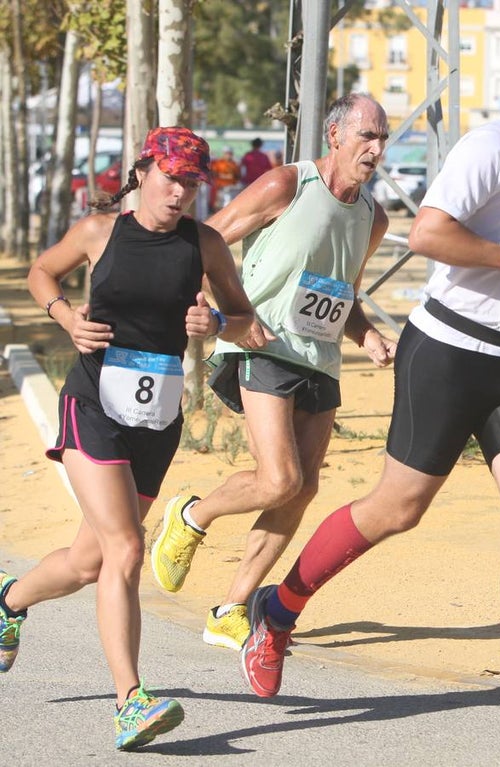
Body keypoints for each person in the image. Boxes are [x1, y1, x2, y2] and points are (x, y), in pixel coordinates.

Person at [236, 21, 500, 746]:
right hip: (447, 352)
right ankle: (279, 609)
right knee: (396, 509)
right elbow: (429, 234)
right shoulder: (491, 145)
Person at [2, 127, 254, 750]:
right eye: (170, 178)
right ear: (142, 172)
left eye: (191, 183)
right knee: (126, 549)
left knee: (90, 563)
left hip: (156, 421)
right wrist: (66, 317)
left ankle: (9, 602)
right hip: (92, 403)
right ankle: (130, 702)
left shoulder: (205, 243)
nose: (180, 192)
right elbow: (42, 272)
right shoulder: (100, 231)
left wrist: (216, 320)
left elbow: (248, 318)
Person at [147, 94, 395, 654]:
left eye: (383, 138)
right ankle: (192, 514)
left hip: (320, 357)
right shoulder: (288, 184)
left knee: (301, 489)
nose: (376, 149)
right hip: (262, 344)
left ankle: (231, 607)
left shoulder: (372, 216)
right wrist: (219, 316)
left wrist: (369, 335)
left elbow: (345, 291)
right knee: (279, 477)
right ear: (335, 136)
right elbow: (204, 241)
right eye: (367, 136)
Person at [209, 147, 241, 211]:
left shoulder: (234, 164)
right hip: (220, 188)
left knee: (229, 207)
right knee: (219, 206)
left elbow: (238, 176)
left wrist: (232, 177)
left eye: (230, 153)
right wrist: (225, 176)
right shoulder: (218, 163)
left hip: (231, 189)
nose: (228, 155)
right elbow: (213, 174)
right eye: (227, 153)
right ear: (224, 154)